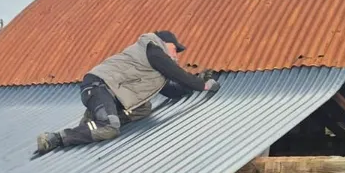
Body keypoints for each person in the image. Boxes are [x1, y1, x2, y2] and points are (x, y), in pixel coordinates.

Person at [35, 30, 220, 154]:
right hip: (99, 86)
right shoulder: (152, 50)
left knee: (144, 109)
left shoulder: (154, 70)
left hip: (113, 95)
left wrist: (198, 80)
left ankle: (94, 120)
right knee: (109, 128)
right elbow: (179, 74)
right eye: (175, 49)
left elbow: (173, 91)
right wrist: (203, 85)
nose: (176, 54)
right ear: (164, 43)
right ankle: (56, 138)